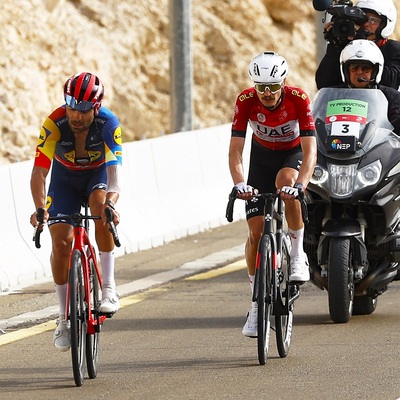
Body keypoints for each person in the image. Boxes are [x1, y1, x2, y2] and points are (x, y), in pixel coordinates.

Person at [30, 72, 123, 351]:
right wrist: (39, 207)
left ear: (95, 107)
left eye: (83, 110)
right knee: (60, 242)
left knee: (100, 208)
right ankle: (63, 318)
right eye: (72, 107)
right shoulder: (55, 123)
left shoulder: (109, 123)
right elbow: (39, 172)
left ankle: (108, 286)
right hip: (64, 181)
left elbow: (114, 174)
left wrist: (111, 203)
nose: (76, 116)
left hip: (97, 178)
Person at [229, 51, 317, 337]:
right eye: (261, 87)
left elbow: (310, 151)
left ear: (284, 83)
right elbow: (235, 151)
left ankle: (298, 251)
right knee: (255, 234)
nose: (266, 93)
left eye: (273, 87)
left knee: (286, 185)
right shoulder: (245, 101)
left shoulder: (298, 99)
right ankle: (256, 305)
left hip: (290, 156)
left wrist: (301, 185)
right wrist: (240, 183)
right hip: (261, 158)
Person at [316, 0, 400, 90]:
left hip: (382, 103)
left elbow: (392, 83)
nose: (366, 24)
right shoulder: (346, 47)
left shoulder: (393, 48)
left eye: (373, 21)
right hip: (347, 102)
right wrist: (334, 45)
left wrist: (362, 45)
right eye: (363, 19)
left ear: (385, 25)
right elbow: (324, 85)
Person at [339, 39, 400, 133]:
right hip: (337, 144)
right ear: (346, 71)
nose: (359, 72)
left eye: (365, 68)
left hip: (377, 147)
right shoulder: (333, 96)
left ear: (375, 71)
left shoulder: (391, 98)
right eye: (354, 67)